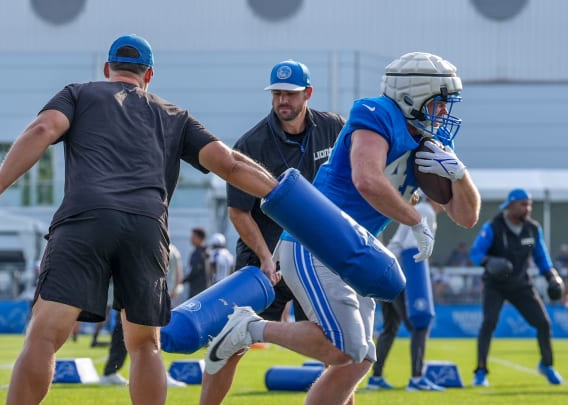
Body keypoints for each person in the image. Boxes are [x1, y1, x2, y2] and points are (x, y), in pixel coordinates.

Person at [0, 34, 280, 405]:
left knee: (44, 335)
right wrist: (288, 198)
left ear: (106, 69)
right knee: (145, 345)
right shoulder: (173, 115)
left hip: (85, 218)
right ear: (149, 75)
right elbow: (230, 163)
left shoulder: (78, 94)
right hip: (146, 226)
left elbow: (41, 130)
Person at [204, 52, 480, 405]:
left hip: (357, 250)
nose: (444, 112)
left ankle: (249, 329)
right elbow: (366, 179)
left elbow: (466, 215)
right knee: (344, 347)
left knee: (358, 360)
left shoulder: (433, 139)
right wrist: (415, 219)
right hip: (318, 240)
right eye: (440, 102)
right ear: (413, 94)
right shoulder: (376, 112)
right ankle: (248, 327)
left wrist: (459, 175)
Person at [199, 59, 344, 405]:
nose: (283, 101)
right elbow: (238, 211)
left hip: (314, 256)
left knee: (335, 346)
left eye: (290, 94)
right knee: (229, 340)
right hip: (263, 259)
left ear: (307, 93)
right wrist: (265, 258)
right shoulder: (252, 143)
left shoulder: (334, 129)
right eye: (277, 93)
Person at [470, 188, 565, 386]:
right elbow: (475, 252)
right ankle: (480, 371)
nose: (527, 208)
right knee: (488, 324)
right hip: (495, 285)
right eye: (523, 204)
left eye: (529, 204)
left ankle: (546, 365)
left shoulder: (533, 228)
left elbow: (541, 257)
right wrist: (489, 261)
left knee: (543, 324)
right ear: (511, 205)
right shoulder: (493, 227)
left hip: (521, 283)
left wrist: (552, 277)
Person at [368, 193, 446, 391]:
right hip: (400, 273)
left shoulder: (419, 209)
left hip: (385, 270)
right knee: (420, 325)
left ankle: (376, 378)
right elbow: (413, 248)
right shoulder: (427, 210)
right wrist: (417, 285)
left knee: (390, 327)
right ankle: (417, 378)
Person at [183, 227, 209, 298]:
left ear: (200, 238)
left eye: (193, 237)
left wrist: (183, 280)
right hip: (203, 287)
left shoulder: (199, 253)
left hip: (198, 289)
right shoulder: (205, 251)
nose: (191, 239)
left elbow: (195, 271)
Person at [167, 242, 185, 307]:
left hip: (166, 290)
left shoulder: (164, 249)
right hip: (173, 290)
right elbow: (179, 272)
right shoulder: (174, 250)